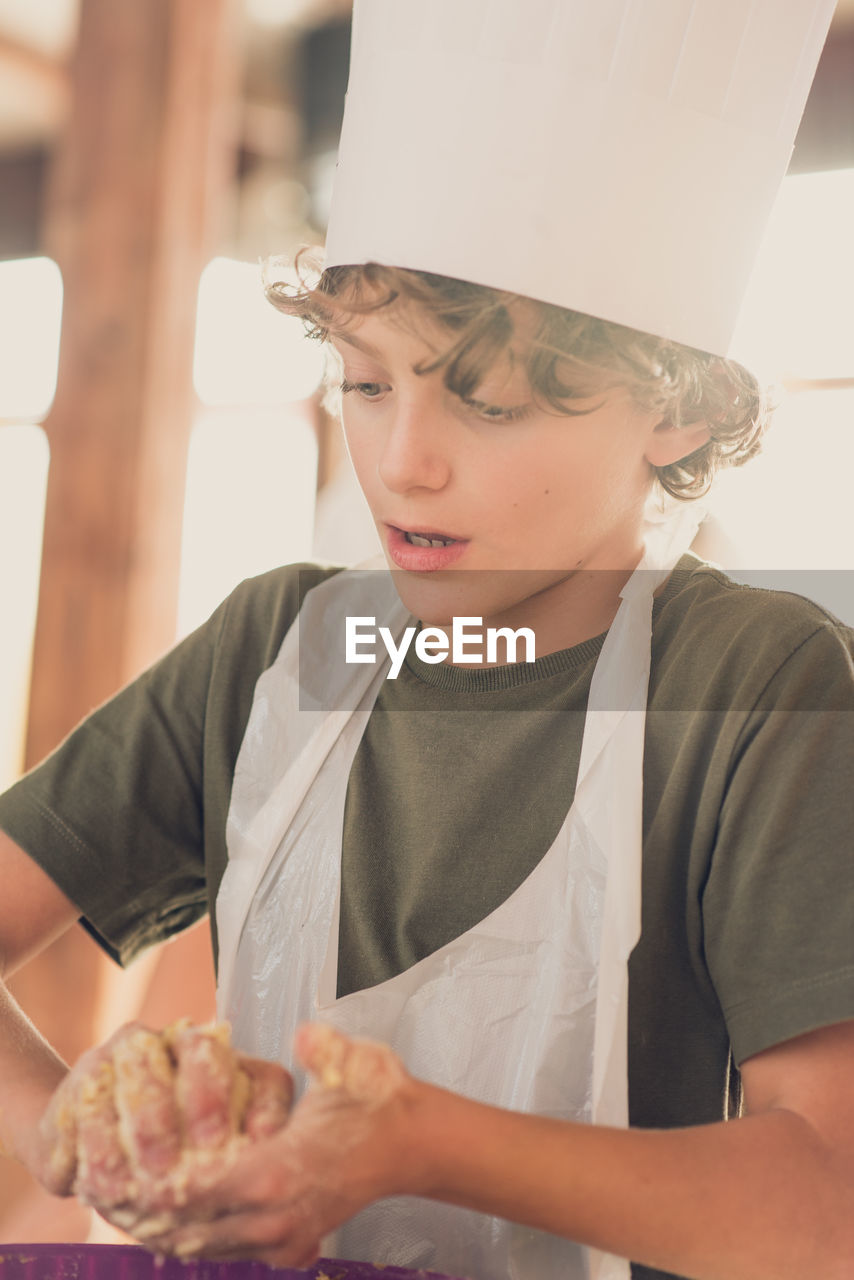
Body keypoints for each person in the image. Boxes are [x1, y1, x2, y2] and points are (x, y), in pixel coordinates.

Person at [2, 3, 852, 1279]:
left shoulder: (753, 687)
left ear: (675, 412)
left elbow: (825, 1206)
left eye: (490, 401)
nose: (403, 467)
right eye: (363, 381)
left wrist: (417, 1139)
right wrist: (72, 1123)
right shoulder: (267, 652)